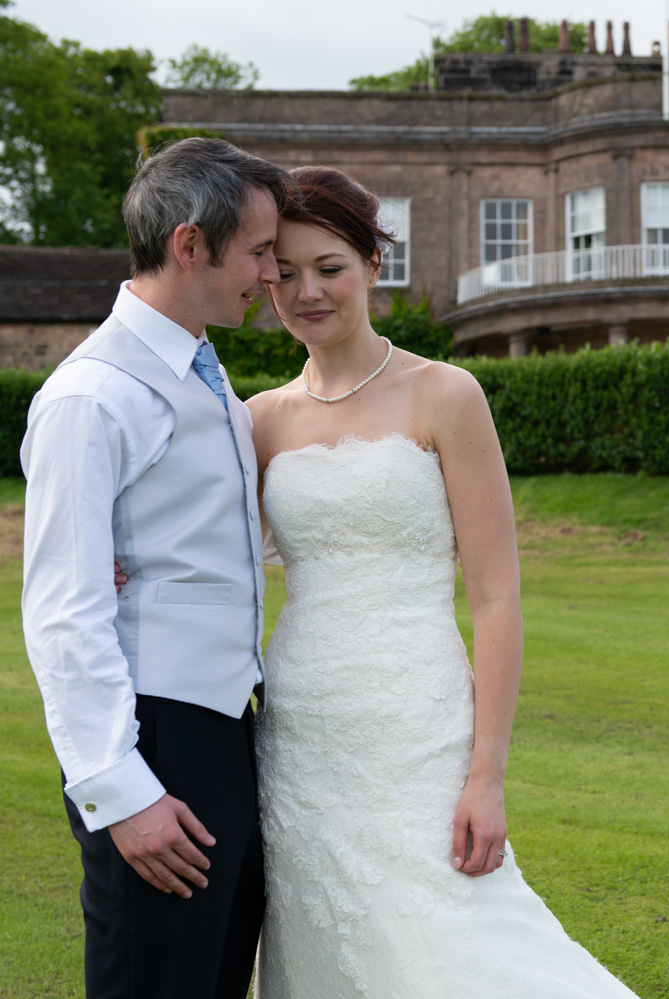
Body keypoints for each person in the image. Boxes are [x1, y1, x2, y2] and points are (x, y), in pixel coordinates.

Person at [246, 165, 641, 996]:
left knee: (457, 937)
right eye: (284, 272)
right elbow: (215, 559)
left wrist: (486, 773)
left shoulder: (445, 394)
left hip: (417, 723)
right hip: (300, 730)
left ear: (373, 265)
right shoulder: (258, 421)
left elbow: (496, 596)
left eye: (329, 267)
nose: (307, 291)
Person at [20, 138, 293, 999]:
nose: (271, 274)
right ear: (189, 243)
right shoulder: (92, 395)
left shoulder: (207, 376)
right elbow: (63, 609)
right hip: (151, 737)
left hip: (227, 730)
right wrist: (120, 789)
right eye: (259, 252)